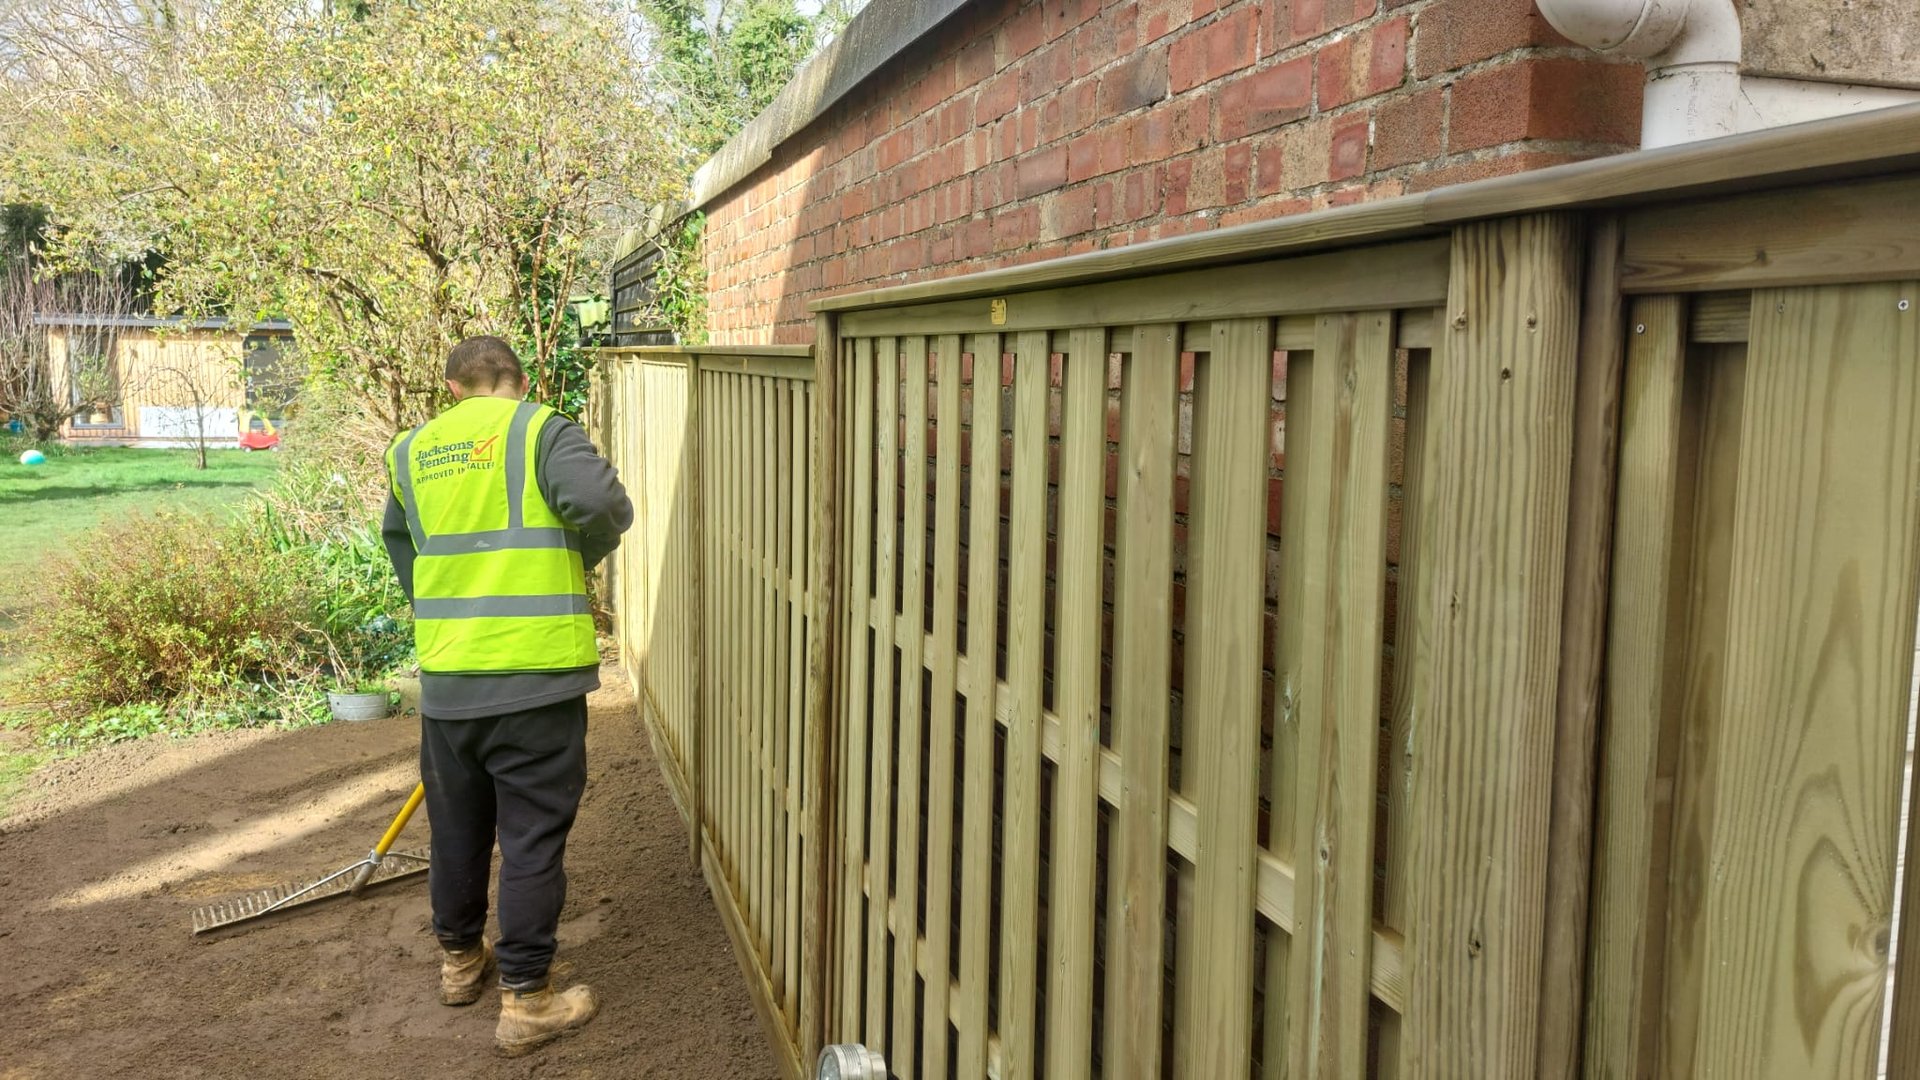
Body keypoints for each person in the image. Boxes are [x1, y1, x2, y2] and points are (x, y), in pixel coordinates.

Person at [381, 335, 632, 1057]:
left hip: (451, 680)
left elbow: (403, 547)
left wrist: (448, 608)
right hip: (534, 677)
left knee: (457, 826)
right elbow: (598, 503)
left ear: (454, 388)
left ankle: (461, 964)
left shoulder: (410, 450)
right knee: (530, 837)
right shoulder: (538, 428)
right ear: (518, 381)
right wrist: (577, 553)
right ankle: (527, 999)